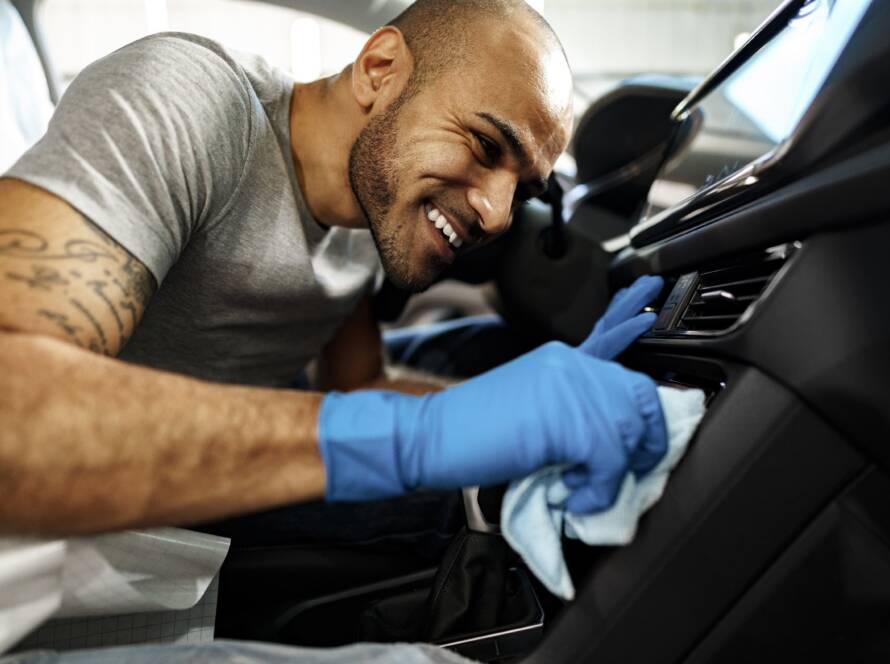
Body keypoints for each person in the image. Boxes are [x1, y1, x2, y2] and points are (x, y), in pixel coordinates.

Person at [0, 0, 664, 581]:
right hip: (79, 512)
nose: (497, 214)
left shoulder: (379, 200)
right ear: (380, 69)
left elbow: (357, 383)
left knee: (494, 355)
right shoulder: (186, 100)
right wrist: (416, 438)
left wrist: (517, 412)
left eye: (522, 188)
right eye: (486, 145)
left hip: (224, 447)